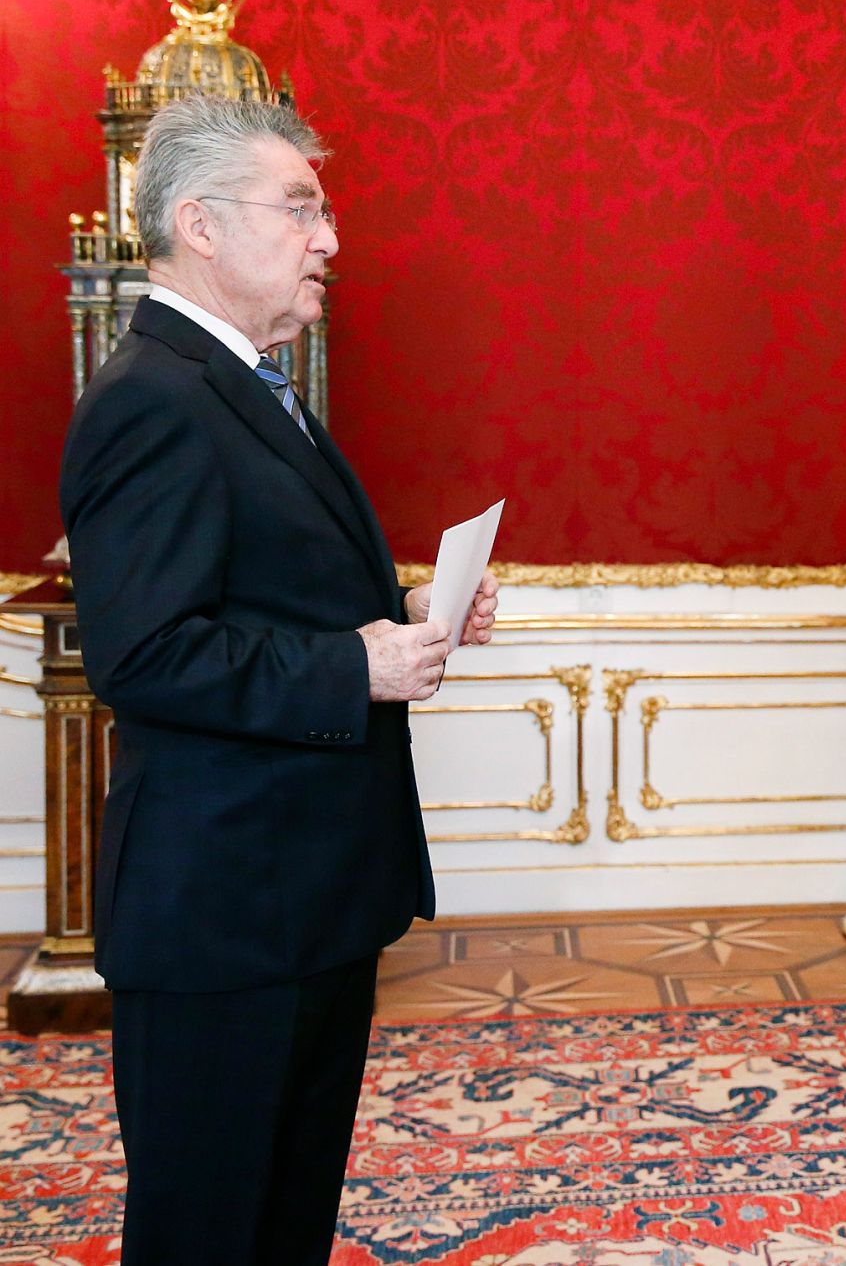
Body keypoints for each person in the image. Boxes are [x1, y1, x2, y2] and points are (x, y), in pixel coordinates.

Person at [59, 95, 500, 1266]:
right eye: (299, 208)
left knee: (282, 1221)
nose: (329, 239)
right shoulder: (152, 397)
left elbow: (256, 591)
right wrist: (355, 662)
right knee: (208, 1231)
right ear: (200, 225)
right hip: (223, 915)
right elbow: (144, 653)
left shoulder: (243, 382)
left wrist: (404, 609)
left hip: (299, 898)